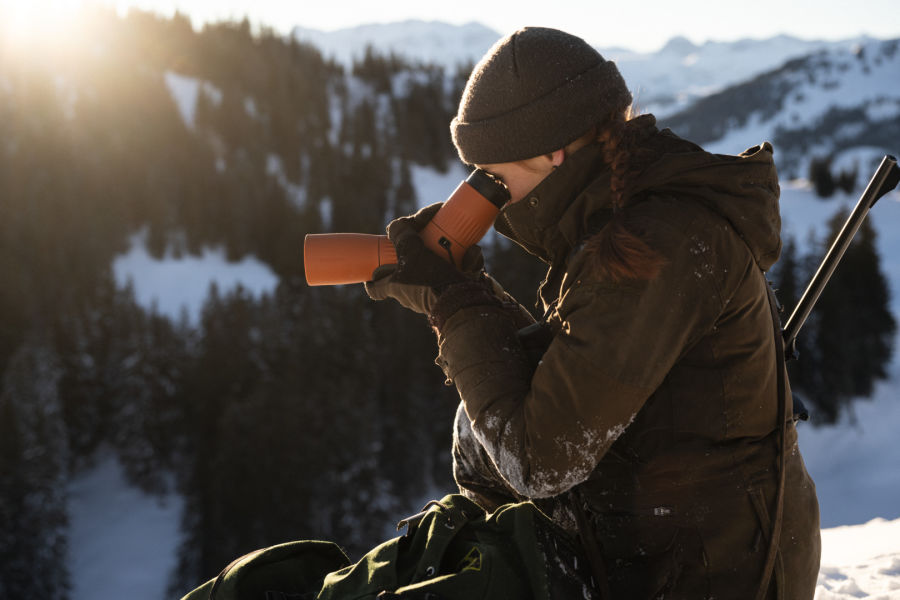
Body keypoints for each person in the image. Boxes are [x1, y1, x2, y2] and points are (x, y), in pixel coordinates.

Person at [365, 27, 821, 600]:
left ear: (552, 153)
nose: (488, 193)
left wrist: (455, 300)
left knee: (489, 449)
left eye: (494, 175)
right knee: (476, 436)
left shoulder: (658, 242)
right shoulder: (618, 218)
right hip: (669, 537)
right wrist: (457, 291)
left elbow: (542, 459)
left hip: (714, 572)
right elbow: (565, 378)